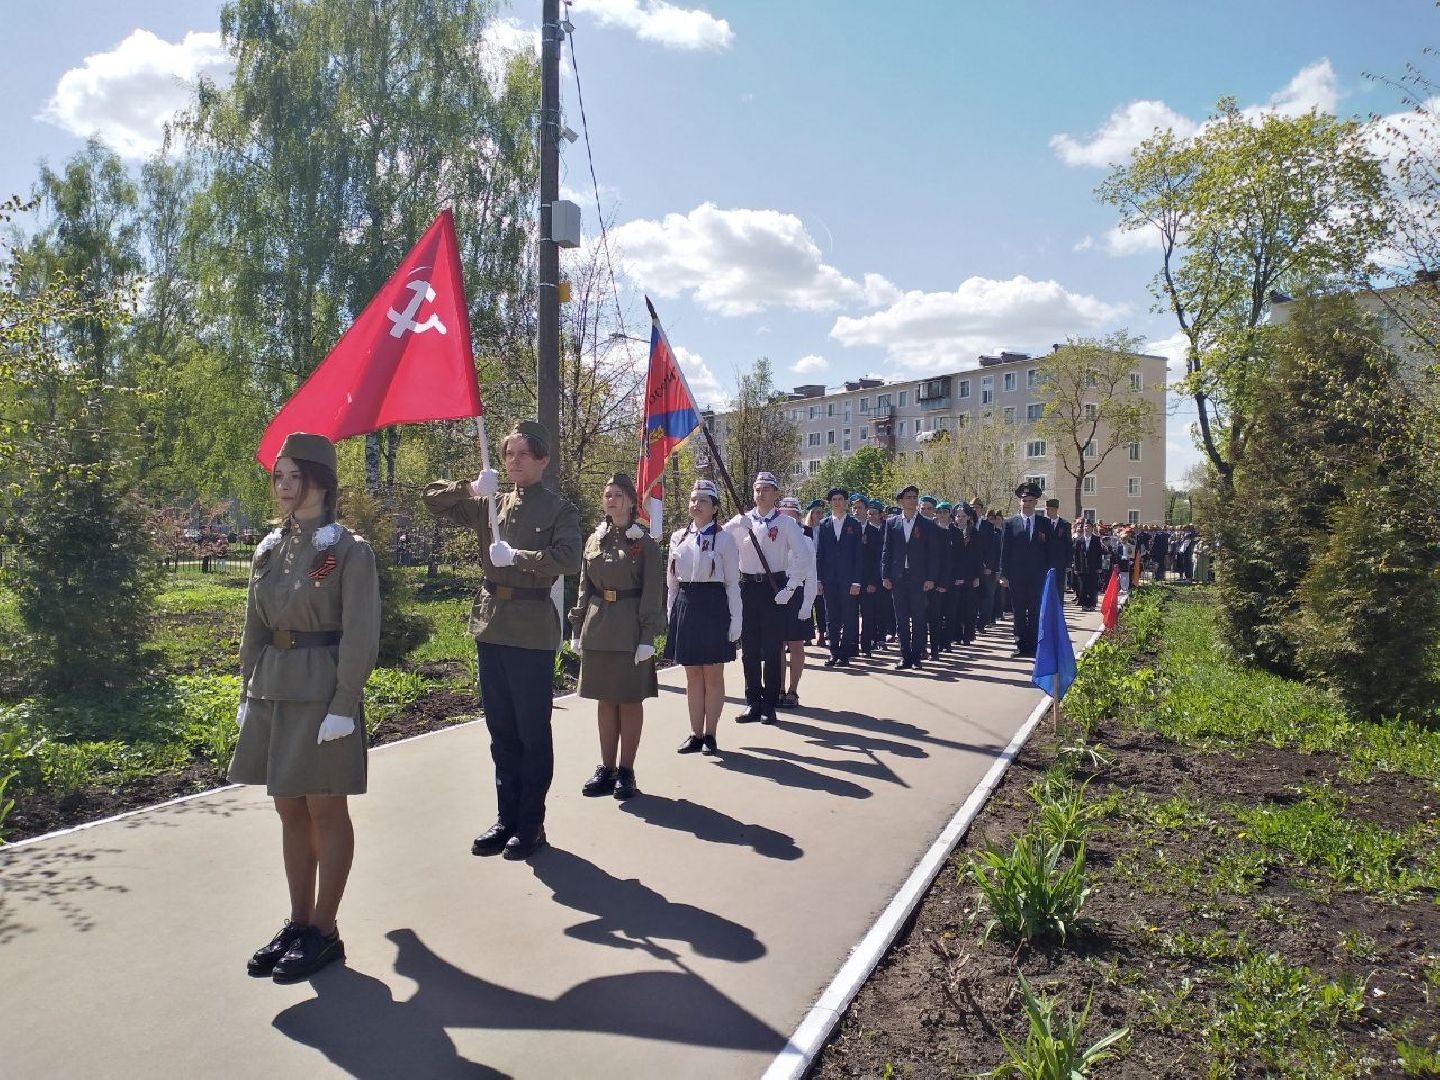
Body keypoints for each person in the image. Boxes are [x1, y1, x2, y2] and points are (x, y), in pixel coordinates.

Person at [230, 432, 380, 982]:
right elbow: (256, 628)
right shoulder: (270, 548)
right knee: (289, 809)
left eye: (294, 475)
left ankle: (324, 929)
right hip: (274, 688)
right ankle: (297, 922)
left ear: (320, 480)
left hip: (322, 691)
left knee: (325, 809)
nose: (284, 486)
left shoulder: (347, 549)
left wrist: (346, 701)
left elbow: (361, 633)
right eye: (278, 477)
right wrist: (248, 688)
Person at [422, 419, 581, 860]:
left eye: (522, 454)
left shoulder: (557, 509)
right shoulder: (490, 500)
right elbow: (431, 499)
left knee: (531, 730)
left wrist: (519, 557)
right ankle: (506, 816)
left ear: (543, 460)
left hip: (531, 627)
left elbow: (568, 557)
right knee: (501, 730)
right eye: (508, 454)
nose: (513, 461)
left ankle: (531, 822)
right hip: (491, 623)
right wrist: (472, 487)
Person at [570, 473, 666, 801]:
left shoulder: (645, 544)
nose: (611, 500)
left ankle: (627, 770)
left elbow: (652, 592)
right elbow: (585, 586)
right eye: (607, 494)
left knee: (629, 699)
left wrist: (647, 637)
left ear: (630, 500)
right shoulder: (594, 539)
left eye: (617, 495)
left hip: (629, 627)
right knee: (605, 699)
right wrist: (577, 627)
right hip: (598, 627)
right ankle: (606, 768)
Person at [724, 472, 809, 724]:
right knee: (749, 650)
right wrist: (735, 525)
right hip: (747, 587)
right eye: (757, 489)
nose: (760, 494)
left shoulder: (785, 523)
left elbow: (803, 556)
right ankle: (752, 701)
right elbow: (719, 540)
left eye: (766, 490)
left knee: (773, 649)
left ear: (775, 494)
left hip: (774, 588)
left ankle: (770, 704)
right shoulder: (742, 520)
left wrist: (791, 587)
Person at [666, 479, 742, 756]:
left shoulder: (725, 539)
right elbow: (672, 581)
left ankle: (710, 734)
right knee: (692, 676)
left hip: (713, 606)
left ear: (715, 507)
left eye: (703, 501)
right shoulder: (678, 537)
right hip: (687, 604)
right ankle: (695, 733)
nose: (696, 504)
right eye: (693, 499)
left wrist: (737, 620)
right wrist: (671, 611)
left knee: (712, 674)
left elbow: (733, 583)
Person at [881, 484, 939, 670]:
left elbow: (933, 554)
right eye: (909, 497)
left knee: (919, 618)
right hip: (898, 577)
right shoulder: (892, 523)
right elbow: (886, 551)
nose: (912, 500)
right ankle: (905, 656)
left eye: (915, 497)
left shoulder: (927, 524)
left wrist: (931, 578)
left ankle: (917, 656)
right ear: (901, 501)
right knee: (902, 619)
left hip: (919, 578)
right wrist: (885, 576)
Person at [999, 482, 1053, 659]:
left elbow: (1049, 551)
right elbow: (1004, 551)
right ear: (1019, 502)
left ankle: (1035, 645)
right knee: (1019, 611)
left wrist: (1050, 573)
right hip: (1016, 576)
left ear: (1036, 502)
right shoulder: (1010, 523)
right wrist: (1004, 574)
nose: (1027, 503)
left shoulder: (1044, 523)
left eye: (1030, 500)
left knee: (1036, 610)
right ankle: (1021, 645)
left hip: (1038, 576)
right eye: (1024, 500)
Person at [777, 496, 820, 706]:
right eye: (783, 514)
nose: (787, 519)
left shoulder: (806, 540)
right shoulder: (773, 537)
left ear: (798, 516)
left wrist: (807, 605)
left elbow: (811, 576)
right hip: (776, 595)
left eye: (791, 514)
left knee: (795, 645)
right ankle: (778, 688)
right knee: (777, 645)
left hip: (797, 597)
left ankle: (793, 691)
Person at [815, 486, 864, 668]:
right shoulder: (824, 524)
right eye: (834, 499)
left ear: (845, 503)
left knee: (849, 617)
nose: (837, 502)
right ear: (830, 503)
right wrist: (819, 580)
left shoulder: (854, 524)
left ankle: (845, 654)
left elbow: (859, 555)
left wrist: (857, 581)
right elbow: (820, 553)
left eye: (840, 499)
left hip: (849, 579)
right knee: (831, 617)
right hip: (829, 579)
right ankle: (834, 652)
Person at [858, 499, 887, 657]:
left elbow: (878, 560)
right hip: (851, 581)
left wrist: (873, 581)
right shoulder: (850, 528)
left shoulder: (875, 533)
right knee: (851, 617)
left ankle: (867, 646)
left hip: (869, 581)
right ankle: (852, 646)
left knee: (869, 615)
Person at [926, 502, 953, 659]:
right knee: (920, 618)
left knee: (935, 617)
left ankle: (935, 649)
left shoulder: (941, 533)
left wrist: (942, 582)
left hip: (935, 582)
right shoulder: (916, 528)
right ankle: (920, 648)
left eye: (930, 509)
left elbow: (945, 560)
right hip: (916, 580)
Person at [1043, 498, 1072, 601]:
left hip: (1060, 561)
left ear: (1055, 509)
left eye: (1049, 509)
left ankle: (1058, 608)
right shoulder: (1043, 523)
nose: (1047, 511)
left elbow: (1068, 544)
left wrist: (1069, 563)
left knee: (1059, 586)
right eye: (1046, 509)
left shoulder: (1065, 524)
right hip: (1045, 561)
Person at [1073, 519, 1104, 610]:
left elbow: (1099, 554)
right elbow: (1076, 555)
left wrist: (1099, 567)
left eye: (1089, 527)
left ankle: (1092, 604)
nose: (1087, 528)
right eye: (1086, 527)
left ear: (1092, 528)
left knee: (1092, 586)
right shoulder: (1079, 540)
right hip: (1082, 567)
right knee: (1083, 586)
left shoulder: (1096, 539)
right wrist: (1076, 567)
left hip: (1093, 567)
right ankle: (1084, 604)